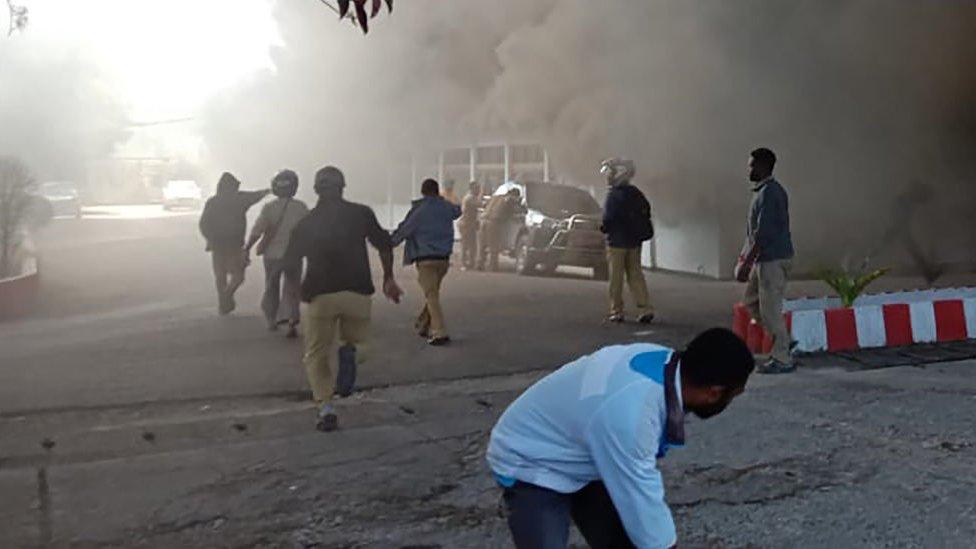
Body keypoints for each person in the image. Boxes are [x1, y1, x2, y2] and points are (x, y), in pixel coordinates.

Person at [487, 328, 755, 548]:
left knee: (624, 541)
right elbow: (642, 499)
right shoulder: (632, 414)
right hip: (532, 459)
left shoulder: (663, 361)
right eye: (733, 395)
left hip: (586, 451)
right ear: (714, 393)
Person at [284, 166, 403, 432]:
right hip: (357, 292)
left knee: (316, 354)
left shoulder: (306, 223)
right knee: (363, 343)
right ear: (343, 187)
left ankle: (326, 408)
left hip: (319, 295)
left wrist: (293, 293)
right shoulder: (361, 214)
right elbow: (385, 244)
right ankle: (352, 353)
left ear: (316, 190)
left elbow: (290, 264)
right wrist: (388, 278)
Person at [741, 147, 795, 374]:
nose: (749, 169)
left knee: (770, 309)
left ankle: (782, 358)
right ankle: (785, 340)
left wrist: (746, 264)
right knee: (751, 302)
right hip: (764, 259)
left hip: (772, 260)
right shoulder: (763, 191)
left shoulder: (770, 193)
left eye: (752, 165)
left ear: (764, 166)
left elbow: (762, 234)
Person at [391, 178, 462, 346]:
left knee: (431, 296)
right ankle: (423, 325)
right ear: (437, 191)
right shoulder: (446, 207)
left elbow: (404, 230)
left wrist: (387, 243)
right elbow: (458, 211)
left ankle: (439, 332)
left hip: (425, 259)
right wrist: (447, 198)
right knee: (433, 294)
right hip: (443, 259)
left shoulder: (419, 210)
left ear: (423, 192)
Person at [244, 169, 309, 337]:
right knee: (292, 288)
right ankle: (291, 321)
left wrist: (247, 248)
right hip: (294, 256)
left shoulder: (269, 208)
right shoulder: (301, 207)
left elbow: (257, 230)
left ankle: (271, 320)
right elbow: (309, 231)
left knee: (271, 286)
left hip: (272, 256)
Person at [198, 172, 269, 315]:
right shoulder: (239, 199)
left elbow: (203, 224)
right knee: (238, 275)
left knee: (220, 275)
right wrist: (268, 190)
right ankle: (228, 295)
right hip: (234, 244)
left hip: (217, 245)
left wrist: (209, 238)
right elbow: (255, 196)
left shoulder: (212, 202)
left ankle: (223, 303)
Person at [599, 158, 654, 324]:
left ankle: (617, 311)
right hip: (634, 243)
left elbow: (608, 219)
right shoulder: (636, 193)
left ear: (618, 174)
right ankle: (645, 309)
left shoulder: (613, 196)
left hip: (616, 243)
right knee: (636, 276)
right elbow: (646, 212)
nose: (608, 177)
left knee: (616, 278)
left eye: (610, 173)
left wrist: (604, 228)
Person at [477, 187, 521, 272]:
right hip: (494, 222)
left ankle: (480, 264)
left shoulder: (496, 197)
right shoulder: (509, 199)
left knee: (482, 245)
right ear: (514, 195)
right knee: (494, 245)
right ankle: (493, 266)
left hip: (483, 221)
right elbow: (515, 211)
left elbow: (485, 205)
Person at [458, 181, 482, 270]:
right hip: (466, 224)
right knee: (465, 245)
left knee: (472, 245)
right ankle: (463, 264)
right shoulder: (469, 198)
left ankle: (471, 263)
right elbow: (480, 204)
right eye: (477, 188)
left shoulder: (472, 197)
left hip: (470, 224)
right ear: (472, 189)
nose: (478, 190)